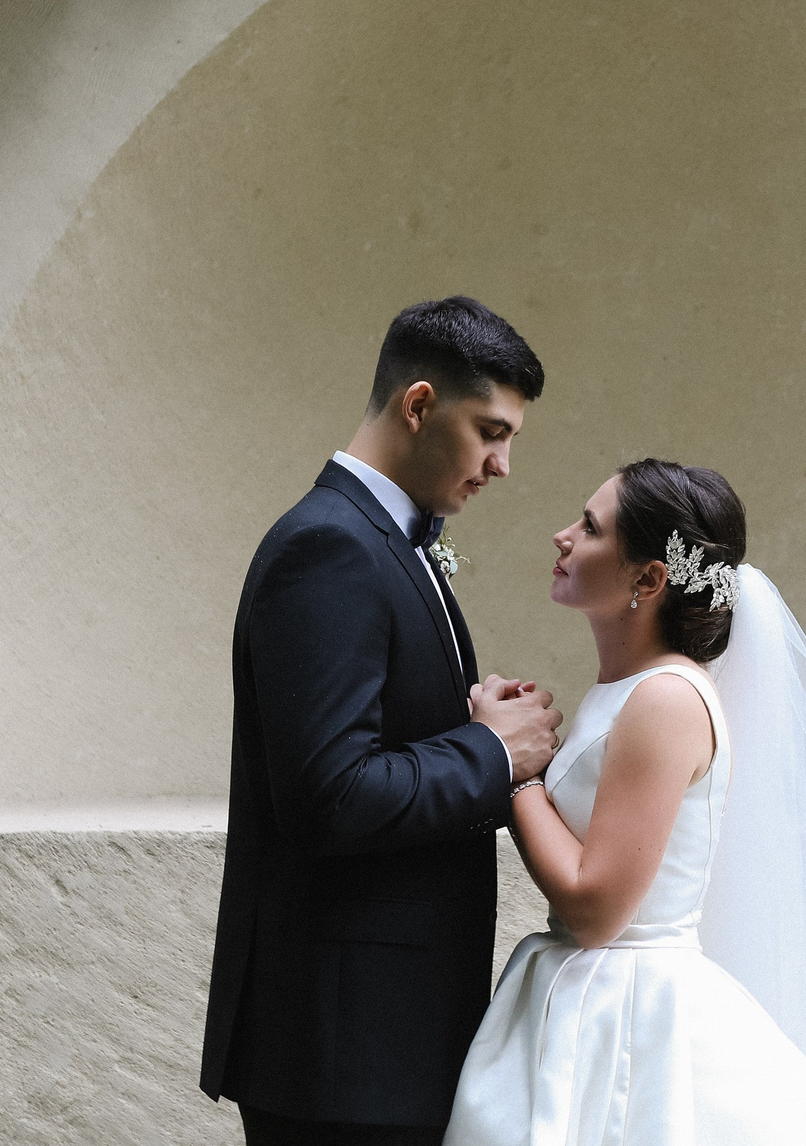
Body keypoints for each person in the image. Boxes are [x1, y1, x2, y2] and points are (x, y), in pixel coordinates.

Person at [203, 296, 567, 1145]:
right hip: (339, 1047)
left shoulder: (390, 541)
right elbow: (330, 793)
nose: (502, 464)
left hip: (383, 1038)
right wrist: (488, 751)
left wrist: (473, 722)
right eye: (491, 430)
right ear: (418, 404)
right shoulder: (328, 547)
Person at [445, 459, 806, 1146]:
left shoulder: (667, 698)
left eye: (589, 527)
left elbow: (595, 907)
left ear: (648, 578)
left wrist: (515, 768)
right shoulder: (629, 689)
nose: (562, 536)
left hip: (626, 1011)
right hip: (580, 991)